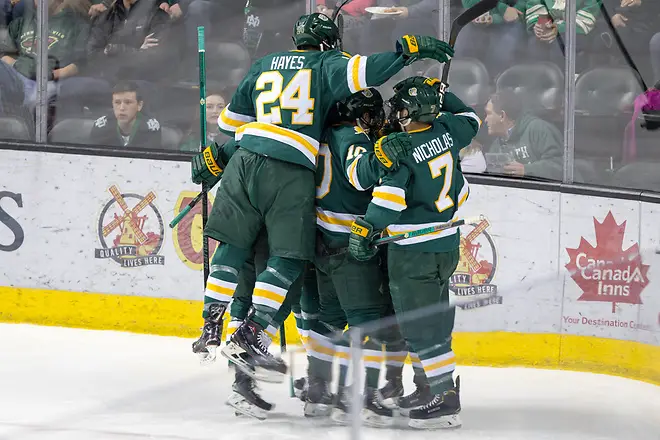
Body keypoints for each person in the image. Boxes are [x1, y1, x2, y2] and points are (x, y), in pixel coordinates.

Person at [189, 11, 455, 383]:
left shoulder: (263, 63)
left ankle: (210, 323)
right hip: (291, 175)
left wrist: (218, 159)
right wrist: (404, 52)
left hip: (243, 162)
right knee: (290, 261)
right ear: (330, 42)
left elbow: (230, 128)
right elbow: (369, 71)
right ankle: (255, 332)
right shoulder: (326, 65)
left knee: (231, 247)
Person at [348, 79, 481, 429]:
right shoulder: (448, 129)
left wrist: (366, 228)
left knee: (420, 328)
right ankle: (429, 388)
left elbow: (389, 201)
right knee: (432, 323)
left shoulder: (403, 148)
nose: (398, 113)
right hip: (447, 244)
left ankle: (444, 399)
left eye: (403, 108)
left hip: (413, 251)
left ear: (417, 111)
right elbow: (471, 117)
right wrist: (444, 93)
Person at [306, 88, 406, 426]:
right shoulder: (353, 139)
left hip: (321, 241)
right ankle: (358, 396)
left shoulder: (321, 132)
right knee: (368, 323)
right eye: (373, 113)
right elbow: (359, 176)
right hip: (349, 244)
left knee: (328, 319)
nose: (377, 120)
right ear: (362, 115)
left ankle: (318, 392)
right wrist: (382, 156)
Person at [483, 89, 563, 180]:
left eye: (489, 114)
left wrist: (527, 170)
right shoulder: (496, 147)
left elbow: (560, 167)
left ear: (502, 115)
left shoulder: (539, 130)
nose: (485, 120)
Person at [90, 81, 161, 148]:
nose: (122, 108)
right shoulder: (101, 128)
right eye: (117, 102)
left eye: (128, 102)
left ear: (139, 105)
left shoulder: (150, 129)